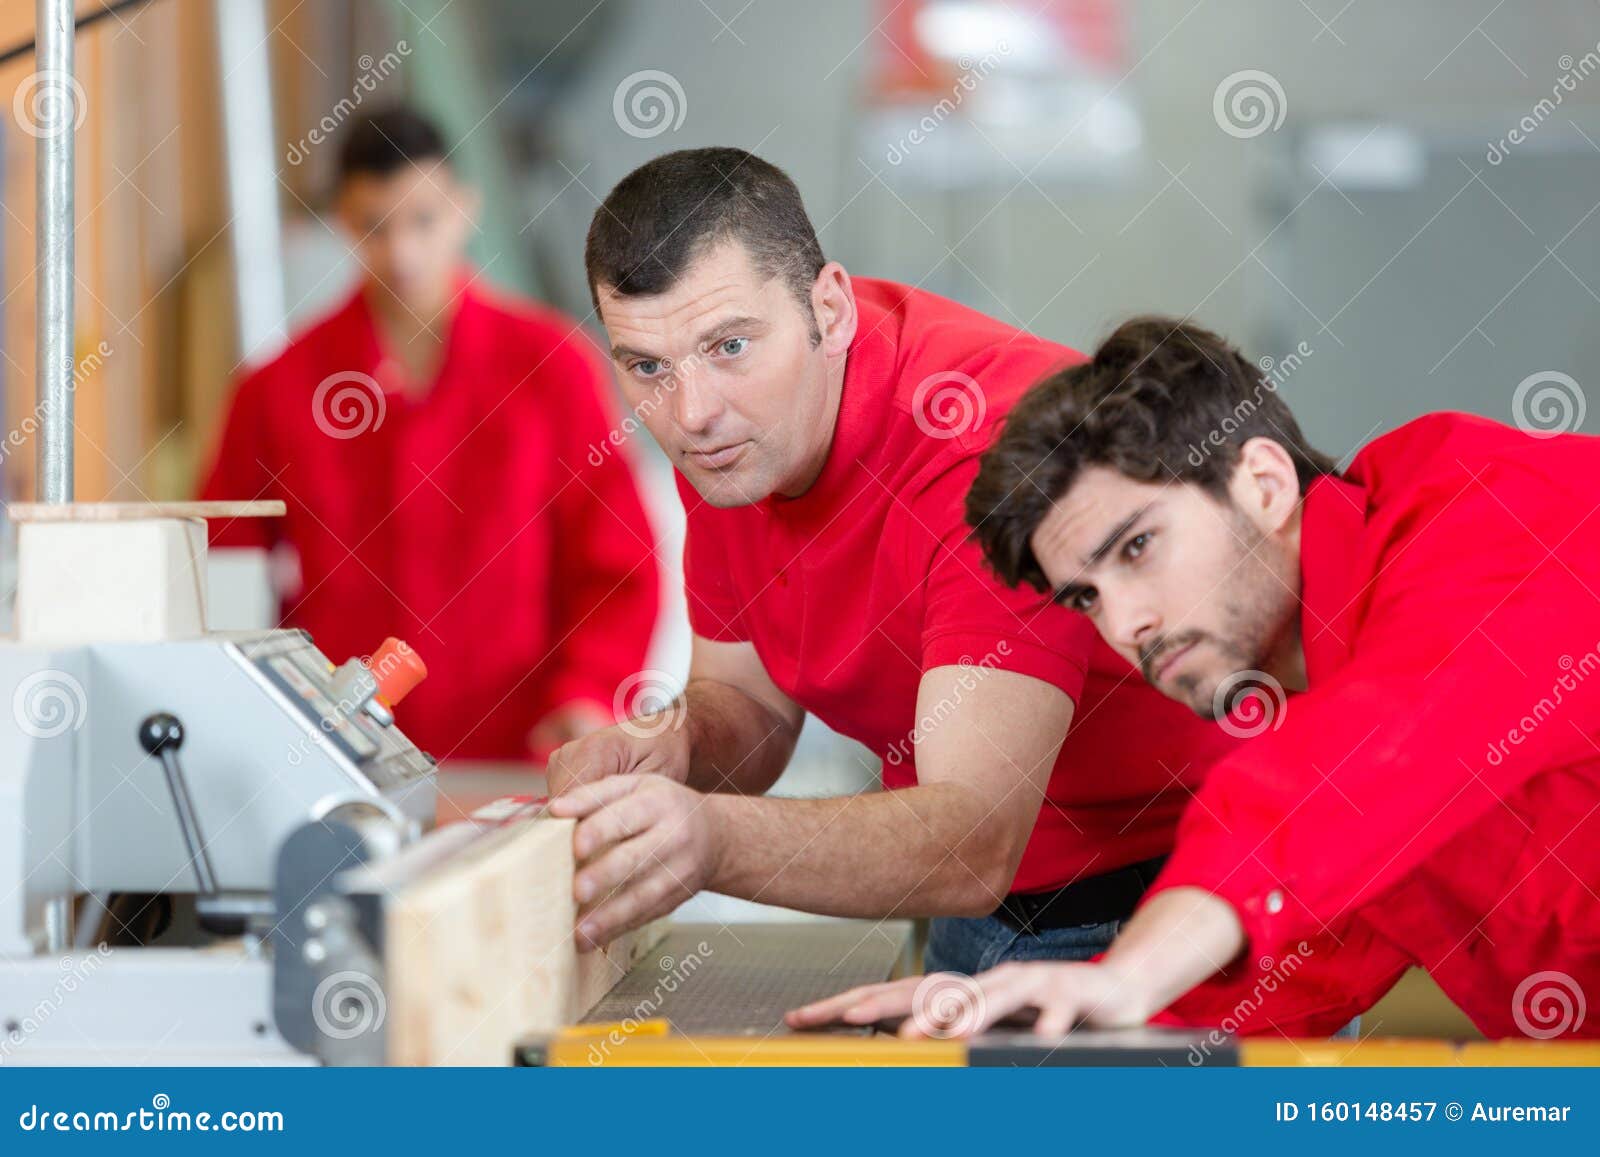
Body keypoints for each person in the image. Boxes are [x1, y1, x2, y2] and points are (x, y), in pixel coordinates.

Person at [544, 146, 1252, 977]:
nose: (691, 413)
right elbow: (747, 700)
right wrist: (674, 743)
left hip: (1183, 898)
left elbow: (973, 840)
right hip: (981, 905)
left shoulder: (984, 451)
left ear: (830, 308)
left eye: (730, 345)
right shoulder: (736, 433)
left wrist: (710, 839)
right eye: (647, 366)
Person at [789, 316, 1600, 1040]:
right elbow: (1288, 973)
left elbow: (1367, 761)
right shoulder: (1320, 739)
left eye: (1137, 547)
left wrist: (1126, 973)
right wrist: (1040, 1022)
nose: (1124, 625)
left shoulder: (1494, 512)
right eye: (1086, 594)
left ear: (1265, 483)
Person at [200, 107, 659, 762]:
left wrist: (587, 693)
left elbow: (618, 563)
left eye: (423, 220)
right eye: (373, 226)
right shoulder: (276, 389)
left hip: (523, 756)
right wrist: (260, 711)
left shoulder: (551, 367)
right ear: (342, 224)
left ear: (464, 209)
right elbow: (225, 569)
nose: (402, 252)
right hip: (339, 759)